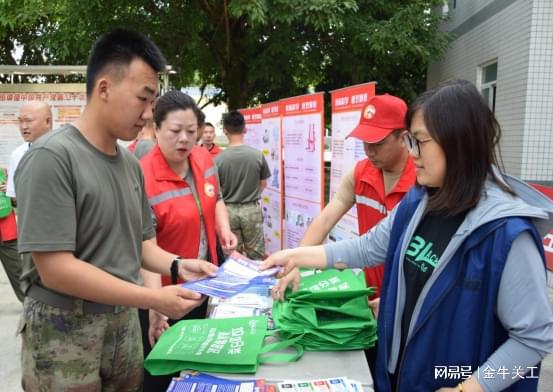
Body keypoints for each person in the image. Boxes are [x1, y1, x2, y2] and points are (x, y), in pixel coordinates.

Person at [263, 80, 553, 391]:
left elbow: (534, 337)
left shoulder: (506, 235)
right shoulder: (421, 201)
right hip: (401, 375)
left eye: (418, 142)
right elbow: (367, 248)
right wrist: (294, 257)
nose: (412, 154)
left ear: (458, 142)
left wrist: (469, 388)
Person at [14, 29, 217, 391]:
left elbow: (139, 242)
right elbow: (57, 269)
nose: (149, 112)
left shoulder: (127, 162)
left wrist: (177, 265)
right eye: (143, 98)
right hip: (64, 332)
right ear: (104, 88)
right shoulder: (53, 158)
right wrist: (154, 298)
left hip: (122, 325)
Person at [139, 90, 237, 391]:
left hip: (203, 280)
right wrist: (156, 305)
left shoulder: (203, 158)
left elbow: (216, 197)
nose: (184, 139)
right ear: (156, 129)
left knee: (196, 364)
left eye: (191, 131)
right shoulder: (143, 176)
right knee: (163, 367)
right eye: (175, 131)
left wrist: (224, 229)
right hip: (164, 291)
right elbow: (145, 245)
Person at [300, 94, 416, 300]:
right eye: (365, 141)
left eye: (378, 142)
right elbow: (325, 220)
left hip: (408, 300)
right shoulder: (360, 173)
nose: (369, 150)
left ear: (403, 138)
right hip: (370, 294)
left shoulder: (423, 181)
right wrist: (297, 262)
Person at [215, 110, 271, 260]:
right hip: (251, 208)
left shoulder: (218, 160)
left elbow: (216, 190)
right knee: (257, 255)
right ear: (245, 129)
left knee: (233, 256)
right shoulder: (257, 155)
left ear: (225, 131)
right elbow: (263, 183)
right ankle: (259, 281)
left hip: (228, 211)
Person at [7, 101, 53, 203]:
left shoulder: (68, 150)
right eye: (20, 121)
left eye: (28, 120)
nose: (23, 127)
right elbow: (14, 196)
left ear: (47, 121)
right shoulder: (17, 155)